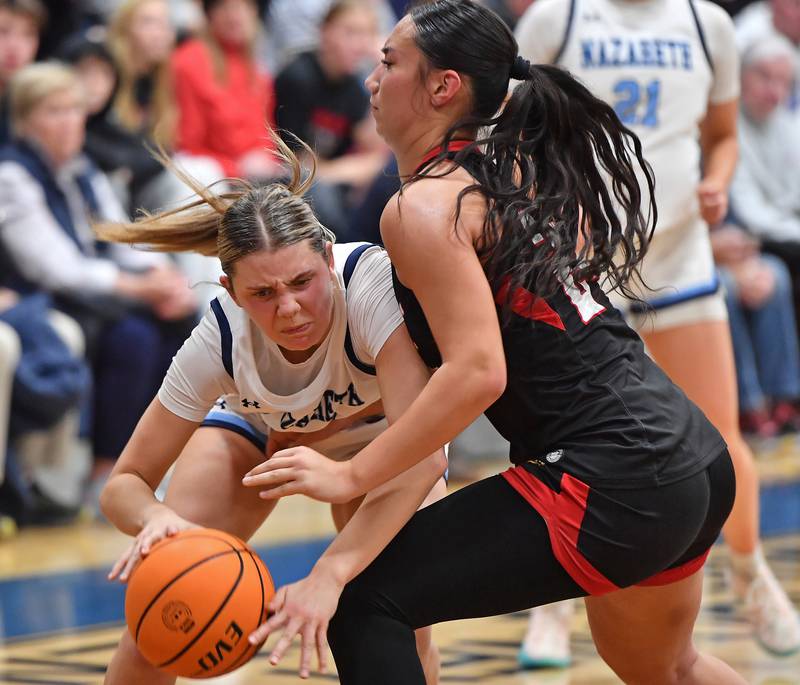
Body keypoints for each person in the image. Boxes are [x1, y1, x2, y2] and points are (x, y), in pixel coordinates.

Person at [238, 2, 747, 682]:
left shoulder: (422, 207)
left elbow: (480, 371)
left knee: (364, 602)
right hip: (689, 456)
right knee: (667, 667)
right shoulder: (511, 168)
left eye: (389, 63)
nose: (371, 77)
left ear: (442, 87)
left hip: (615, 472)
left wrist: (350, 474)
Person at [96, 134, 446, 685]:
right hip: (260, 435)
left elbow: (424, 456)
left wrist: (330, 572)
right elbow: (123, 485)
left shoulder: (372, 283)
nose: (289, 308)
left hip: (385, 447)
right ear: (231, 292)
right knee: (157, 622)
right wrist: (156, 517)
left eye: (303, 282)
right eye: (262, 294)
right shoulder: (219, 336)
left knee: (398, 622)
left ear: (327, 260)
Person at [514, 0, 800, 661]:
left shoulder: (708, 23)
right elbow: (513, 137)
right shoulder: (560, 17)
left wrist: (718, 184)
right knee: (560, 440)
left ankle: (752, 573)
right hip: (579, 260)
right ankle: (551, 609)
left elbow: (722, 135)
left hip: (676, 255)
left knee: (721, 430)